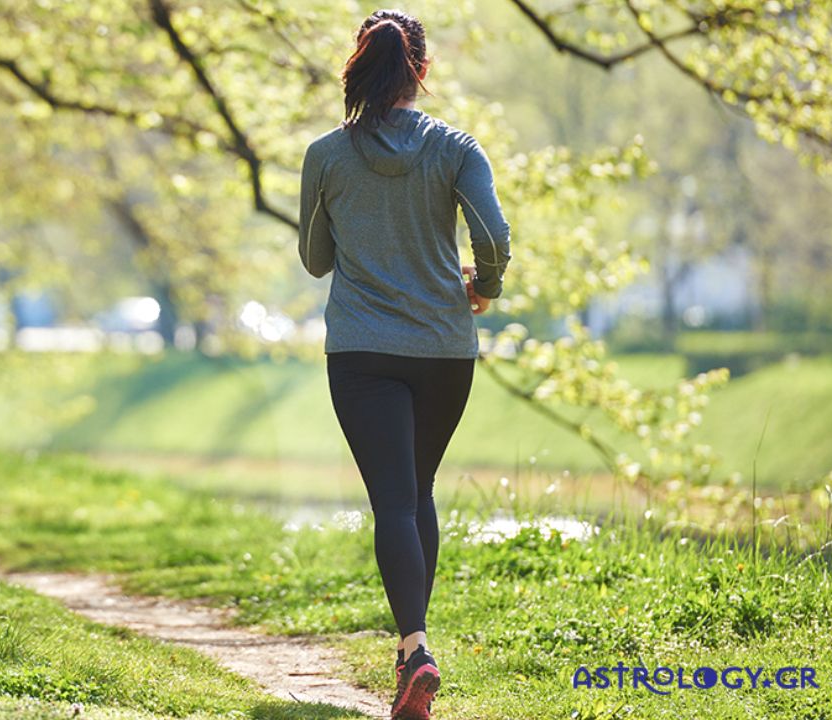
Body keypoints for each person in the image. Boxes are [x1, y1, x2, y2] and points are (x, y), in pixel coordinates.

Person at [297, 8, 512, 720]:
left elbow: (315, 259)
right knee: (417, 490)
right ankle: (409, 656)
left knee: (393, 497)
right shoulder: (455, 148)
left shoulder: (326, 154)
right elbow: (494, 235)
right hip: (444, 349)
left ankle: (415, 649)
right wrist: (482, 286)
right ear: (421, 69)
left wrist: (350, 217)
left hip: (361, 350)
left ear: (360, 66)